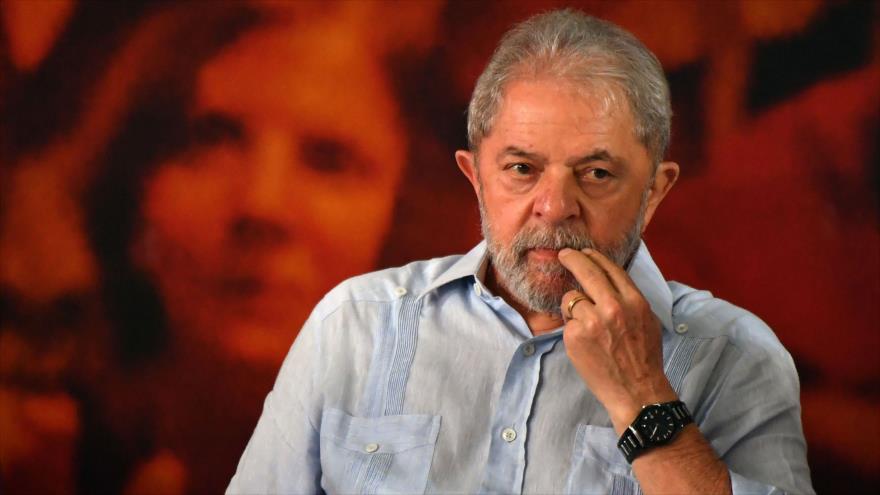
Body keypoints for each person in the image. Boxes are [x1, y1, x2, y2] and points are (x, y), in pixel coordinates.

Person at [227, 9, 813, 494]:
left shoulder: (739, 359)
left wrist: (642, 397)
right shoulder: (351, 326)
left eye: (598, 172)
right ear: (474, 176)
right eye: (522, 169)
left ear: (654, 191)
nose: (555, 206)